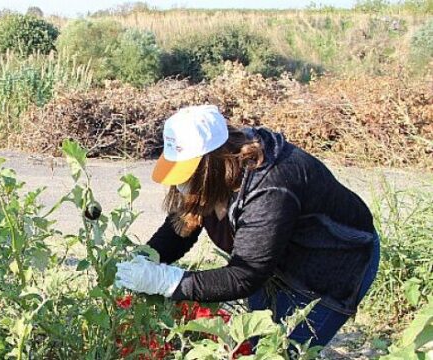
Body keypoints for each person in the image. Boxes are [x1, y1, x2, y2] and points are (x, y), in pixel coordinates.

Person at [115, 105, 380, 349]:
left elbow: (245, 275)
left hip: (331, 270)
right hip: (274, 262)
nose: (183, 185)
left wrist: (165, 281)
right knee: (256, 342)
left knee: (279, 351)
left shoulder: (271, 187)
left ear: (212, 163)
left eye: (188, 174)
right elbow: (182, 226)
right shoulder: (216, 176)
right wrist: (142, 260)